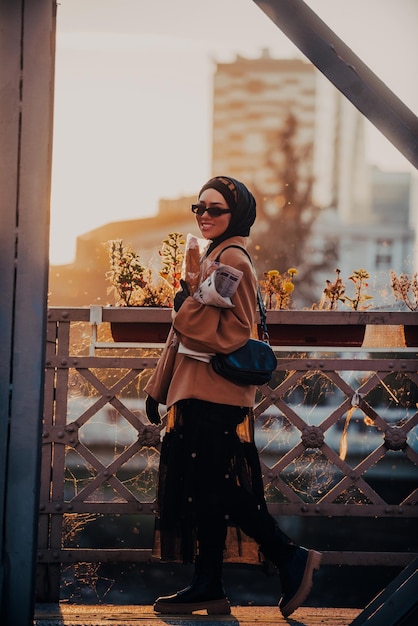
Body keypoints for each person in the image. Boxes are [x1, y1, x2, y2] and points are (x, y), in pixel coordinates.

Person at [144, 176, 321, 618]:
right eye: (198, 208)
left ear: (235, 215)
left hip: (214, 394)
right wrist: (160, 387)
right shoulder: (214, 256)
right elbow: (188, 333)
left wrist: (184, 302)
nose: (204, 215)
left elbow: (232, 332)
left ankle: (289, 556)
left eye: (215, 209)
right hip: (198, 390)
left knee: (216, 488)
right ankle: (208, 586)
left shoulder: (232, 259)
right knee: (204, 491)